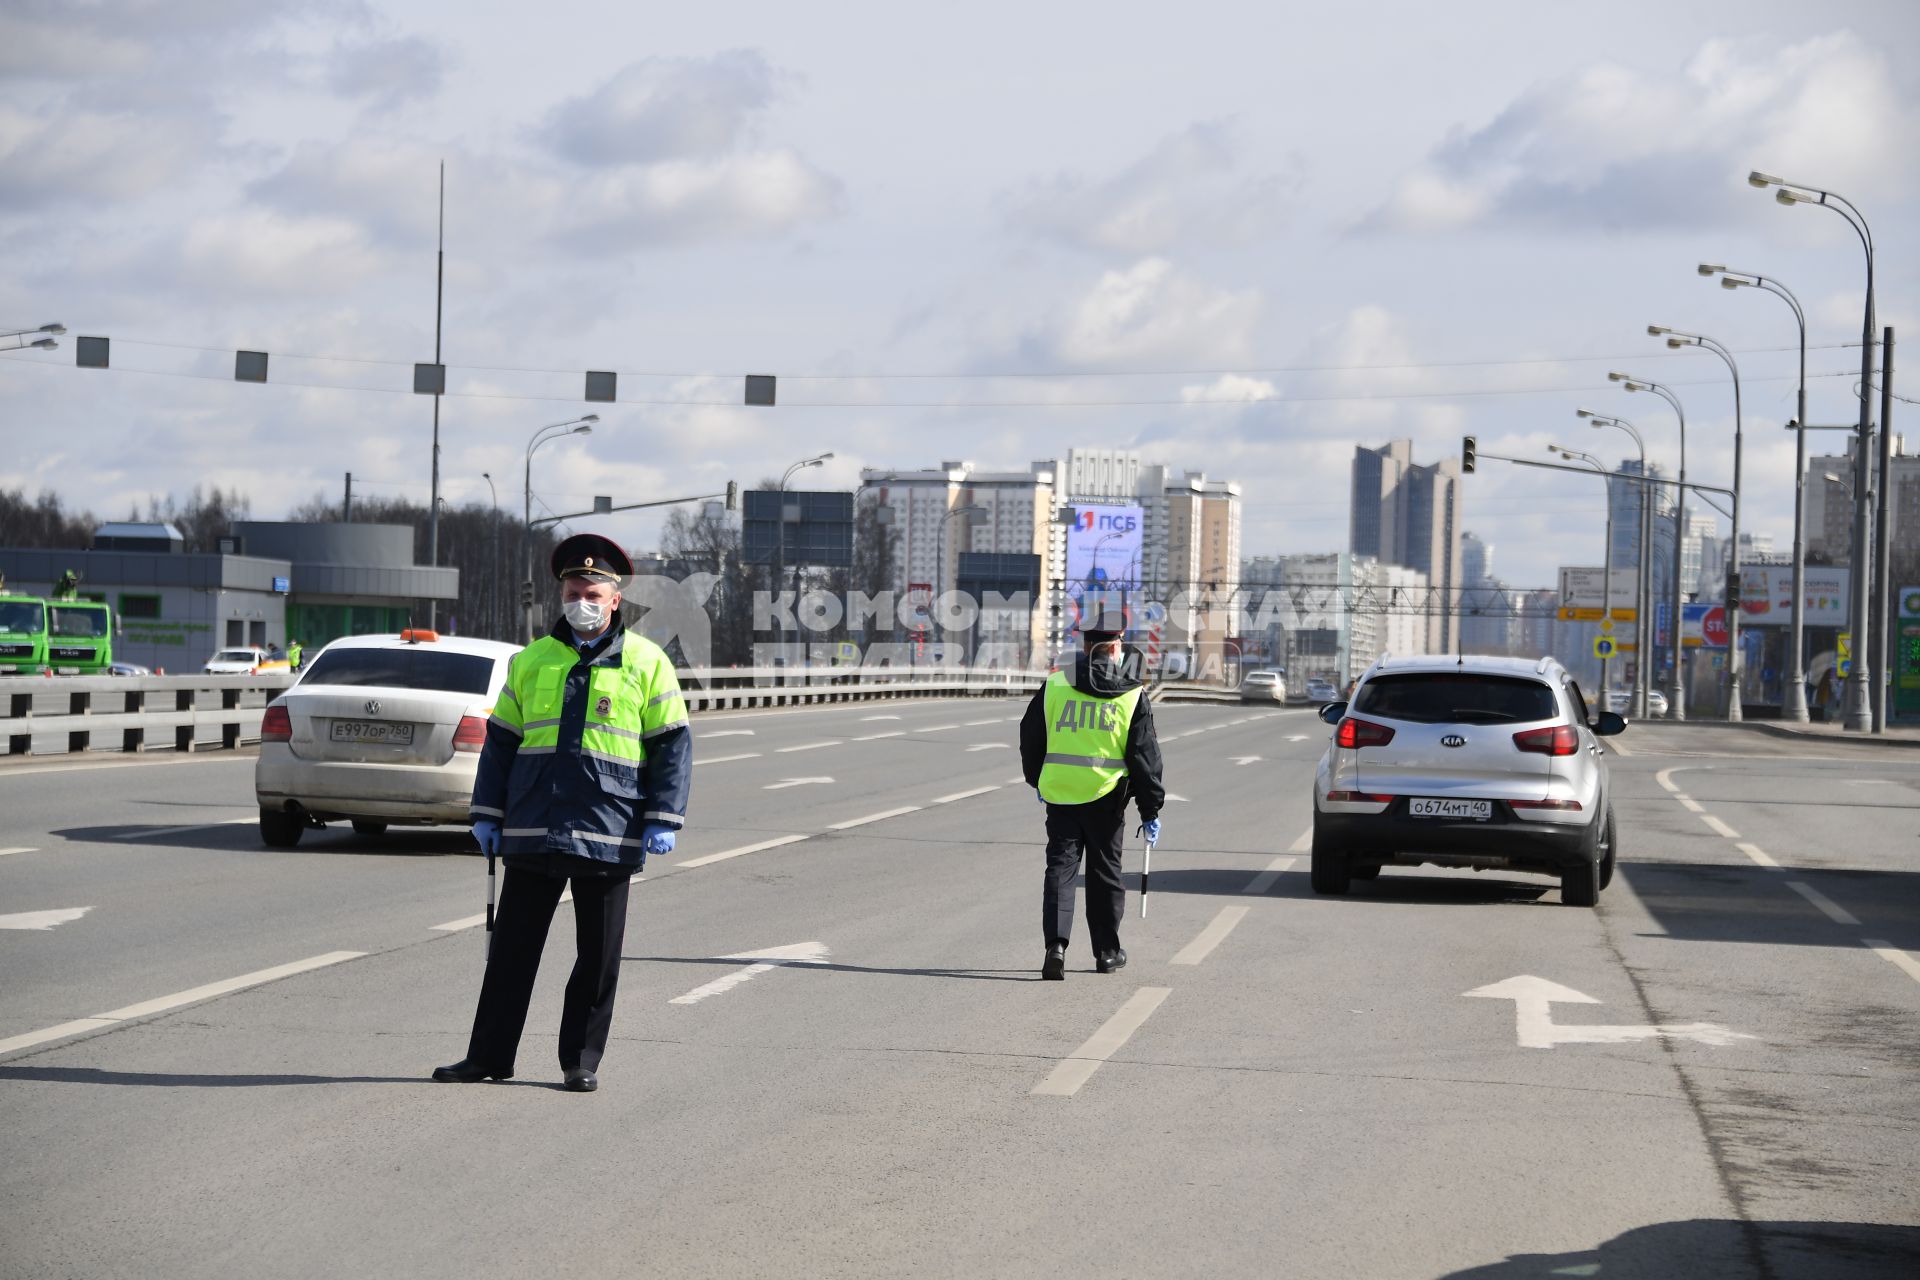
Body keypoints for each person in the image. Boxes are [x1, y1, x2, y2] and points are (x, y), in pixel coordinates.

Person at [434, 532, 692, 1092]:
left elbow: (672, 745)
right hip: (532, 825)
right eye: (575, 589)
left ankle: (580, 1060)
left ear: (615, 598)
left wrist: (663, 817)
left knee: (596, 960)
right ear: (562, 592)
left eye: (594, 591)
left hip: (610, 827)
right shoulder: (532, 660)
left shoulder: (646, 662)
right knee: (510, 955)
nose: (584, 599)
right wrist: (486, 812)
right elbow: (501, 743)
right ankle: (488, 1058)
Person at [1020, 611, 1164, 980]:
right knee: (1104, 874)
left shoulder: (1055, 685)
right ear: (1116, 647)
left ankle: (1056, 947)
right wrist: (1151, 810)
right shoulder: (1132, 694)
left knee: (1061, 869)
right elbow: (1144, 757)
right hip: (1107, 797)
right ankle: (1107, 953)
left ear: (1085, 647)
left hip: (1061, 795)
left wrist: (1038, 780)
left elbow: (1031, 735)